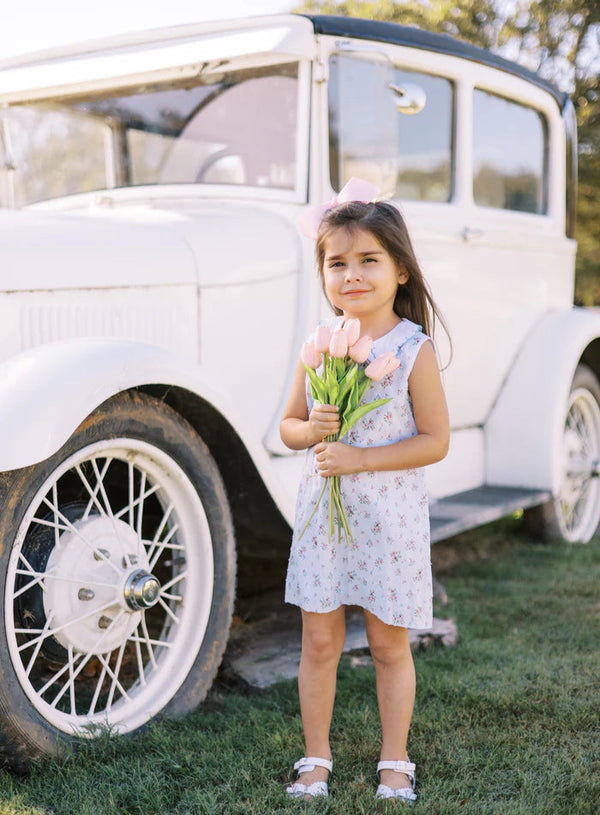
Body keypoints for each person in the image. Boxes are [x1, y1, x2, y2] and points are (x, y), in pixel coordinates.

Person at [279, 178, 450, 803]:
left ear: (400, 269)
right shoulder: (319, 345)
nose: (352, 275)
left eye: (368, 260)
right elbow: (288, 426)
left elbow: (435, 440)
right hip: (325, 518)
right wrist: (313, 429)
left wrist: (362, 457)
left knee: (386, 641)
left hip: (389, 519)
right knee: (319, 641)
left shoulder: (411, 348)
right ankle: (315, 755)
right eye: (337, 263)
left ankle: (395, 757)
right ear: (322, 272)